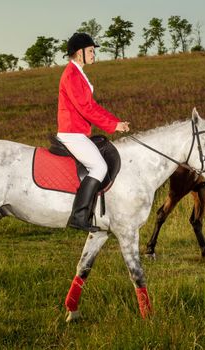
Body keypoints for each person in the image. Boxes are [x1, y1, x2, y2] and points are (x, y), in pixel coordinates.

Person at [57, 32, 130, 232]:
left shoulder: (79, 72)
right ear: (78, 53)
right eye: (90, 51)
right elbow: (85, 109)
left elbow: (93, 106)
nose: (93, 54)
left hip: (78, 132)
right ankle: (79, 216)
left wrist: (116, 122)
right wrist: (112, 126)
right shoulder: (71, 74)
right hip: (72, 133)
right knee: (99, 167)